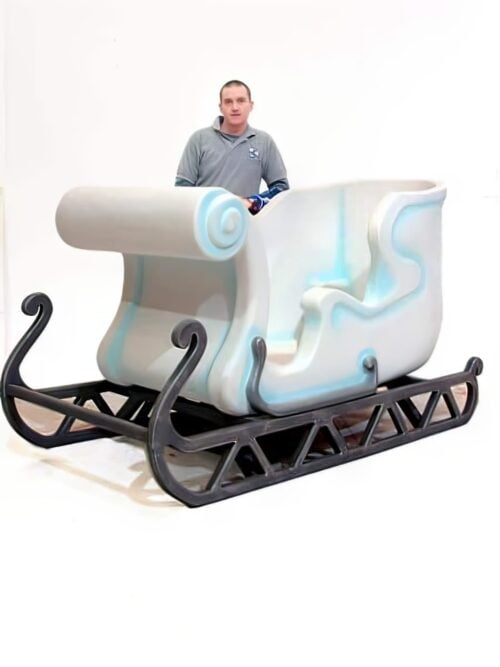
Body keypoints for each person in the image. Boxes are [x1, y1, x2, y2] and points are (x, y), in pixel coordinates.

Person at [175, 80, 289, 213]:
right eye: (228, 102)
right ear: (221, 107)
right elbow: (182, 191)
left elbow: (281, 188)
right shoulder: (199, 139)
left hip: (244, 222)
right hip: (204, 223)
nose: (235, 107)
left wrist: (252, 202)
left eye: (241, 100)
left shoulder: (264, 142)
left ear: (251, 105)